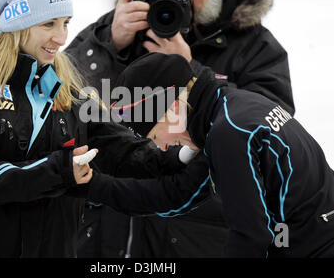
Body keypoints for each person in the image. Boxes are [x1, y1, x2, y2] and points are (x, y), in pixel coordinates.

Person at [0, 0, 188, 258]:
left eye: (65, 23)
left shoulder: (65, 88)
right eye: (49, 24)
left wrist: (178, 158)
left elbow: (118, 147)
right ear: (18, 25)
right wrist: (59, 170)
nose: (61, 37)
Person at [66, 0, 295, 257]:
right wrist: (107, 44)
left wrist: (191, 70)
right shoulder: (125, 25)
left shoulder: (253, 44)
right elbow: (63, 96)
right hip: (109, 230)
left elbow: (268, 127)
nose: (173, 1)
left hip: (196, 232)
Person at [84, 51, 334, 258]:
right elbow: (177, 194)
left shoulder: (229, 134)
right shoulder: (233, 107)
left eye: (156, 136)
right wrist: (92, 185)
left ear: (174, 109)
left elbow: (250, 235)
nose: (162, 147)